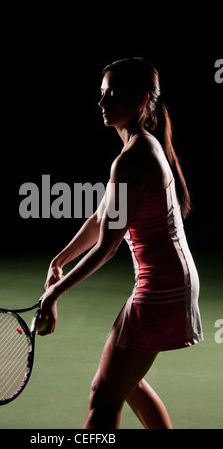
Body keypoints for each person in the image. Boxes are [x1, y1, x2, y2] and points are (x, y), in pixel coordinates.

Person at [38, 57, 204, 429]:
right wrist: (58, 260)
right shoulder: (138, 149)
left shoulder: (133, 159)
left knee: (104, 394)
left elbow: (108, 246)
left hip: (162, 288)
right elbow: (101, 220)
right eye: (101, 94)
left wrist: (54, 294)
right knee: (127, 384)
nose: (102, 103)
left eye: (113, 94)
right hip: (170, 283)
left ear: (142, 100)